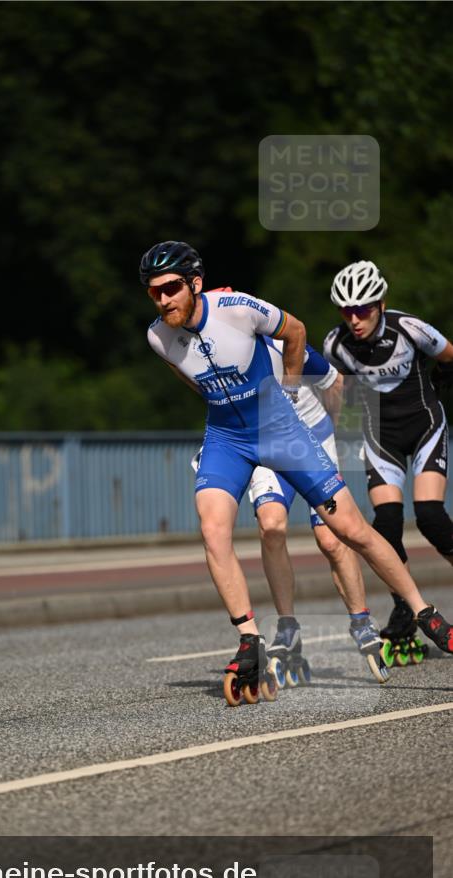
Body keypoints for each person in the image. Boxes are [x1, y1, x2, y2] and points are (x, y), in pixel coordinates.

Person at [140, 240, 453, 706]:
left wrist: (294, 398)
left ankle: (423, 612)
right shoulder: (157, 337)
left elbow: (303, 339)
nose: (163, 299)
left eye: (170, 288)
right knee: (222, 528)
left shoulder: (239, 310)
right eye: (154, 292)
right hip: (227, 437)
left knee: (346, 531)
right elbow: (187, 375)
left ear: (195, 284)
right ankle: (251, 638)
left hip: (285, 429)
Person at [324, 260, 453, 662]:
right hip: (381, 436)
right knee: (387, 524)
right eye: (346, 311)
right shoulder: (335, 344)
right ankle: (405, 610)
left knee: (430, 515)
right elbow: (338, 397)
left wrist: (441, 383)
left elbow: (449, 355)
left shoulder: (409, 328)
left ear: (380, 304)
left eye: (363, 309)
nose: (354, 319)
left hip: (425, 425)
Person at [247, 339, 388, 684]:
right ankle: (287, 627)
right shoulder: (216, 350)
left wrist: (334, 434)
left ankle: (361, 620)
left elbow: (336, 384)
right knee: (271, 526)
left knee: (331, 538)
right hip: (265, 445)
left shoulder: (281, 340)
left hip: (311, 439)